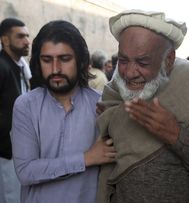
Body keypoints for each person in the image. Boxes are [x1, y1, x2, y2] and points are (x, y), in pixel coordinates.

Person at [96, 9, 189, 203]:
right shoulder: (114, 92)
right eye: (123, 60)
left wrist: (175, 135)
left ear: (168, 60)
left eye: (142, 62)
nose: (130, 73)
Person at [11, 20, 116, 203]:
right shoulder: (26, 106)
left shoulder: (101, 104)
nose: (55, 69)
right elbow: (26, 171)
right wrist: (86, 159)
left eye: (64, 59)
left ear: (81, 61)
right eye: (47, 60)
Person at [0, 17, 30, 203]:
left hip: (18, 149)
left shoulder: (19, 67)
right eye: (20, 36)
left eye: (27, 36)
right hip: (5, 151)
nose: (27, 41)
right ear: (5, 40)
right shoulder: (2, 67)